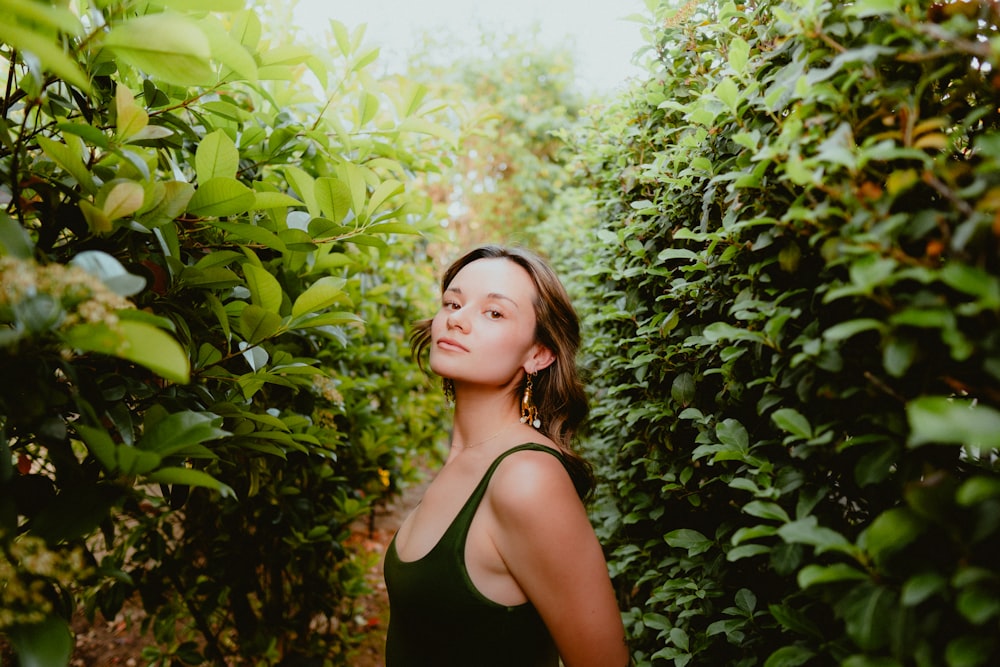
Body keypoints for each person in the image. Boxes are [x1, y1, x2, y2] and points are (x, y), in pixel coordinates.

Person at [383, 245, 630, 666]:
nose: (456, 318)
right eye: (453, 302)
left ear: (539, 354)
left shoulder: (526, 477)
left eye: (494, 312)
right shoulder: (466, 459)